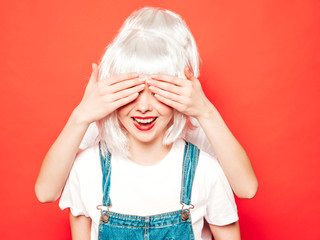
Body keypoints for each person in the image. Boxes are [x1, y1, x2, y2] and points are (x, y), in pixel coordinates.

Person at [35, 7, 257, 239]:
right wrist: (81, 115)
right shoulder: (94, 150)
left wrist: (206, 112)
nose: (143, 107)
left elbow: (246, 188)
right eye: (133, 87)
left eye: (160, 86)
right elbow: (46, 192)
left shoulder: (201, 151)